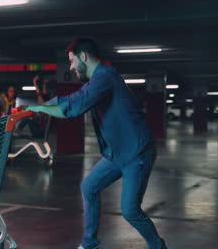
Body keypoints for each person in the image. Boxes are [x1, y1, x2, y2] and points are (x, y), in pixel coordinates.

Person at [25, 38, 167, 249]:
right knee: (89, 187)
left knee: (130, 211)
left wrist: (41, 110)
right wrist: (39, 106)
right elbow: (72, 98)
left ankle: (158, 247)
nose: (71, 67)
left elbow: (75, 107)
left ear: (83, 57)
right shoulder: (96, 81)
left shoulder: (106, 76)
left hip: (137, 152)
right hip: (117, 152)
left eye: (72, 62)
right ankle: (90, 243)